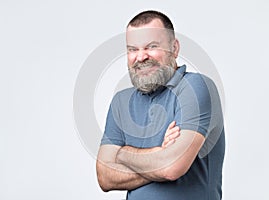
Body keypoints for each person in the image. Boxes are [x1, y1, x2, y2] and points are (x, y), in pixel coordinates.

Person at [96, 10, 225, 200]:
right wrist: (159, 153)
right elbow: (104, 177)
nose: (140, 57)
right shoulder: (121, 101)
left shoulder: (195, 87)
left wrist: (121, 153)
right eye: (133, 49)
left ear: (174, 48)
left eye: (151, 46)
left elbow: (172, 168)